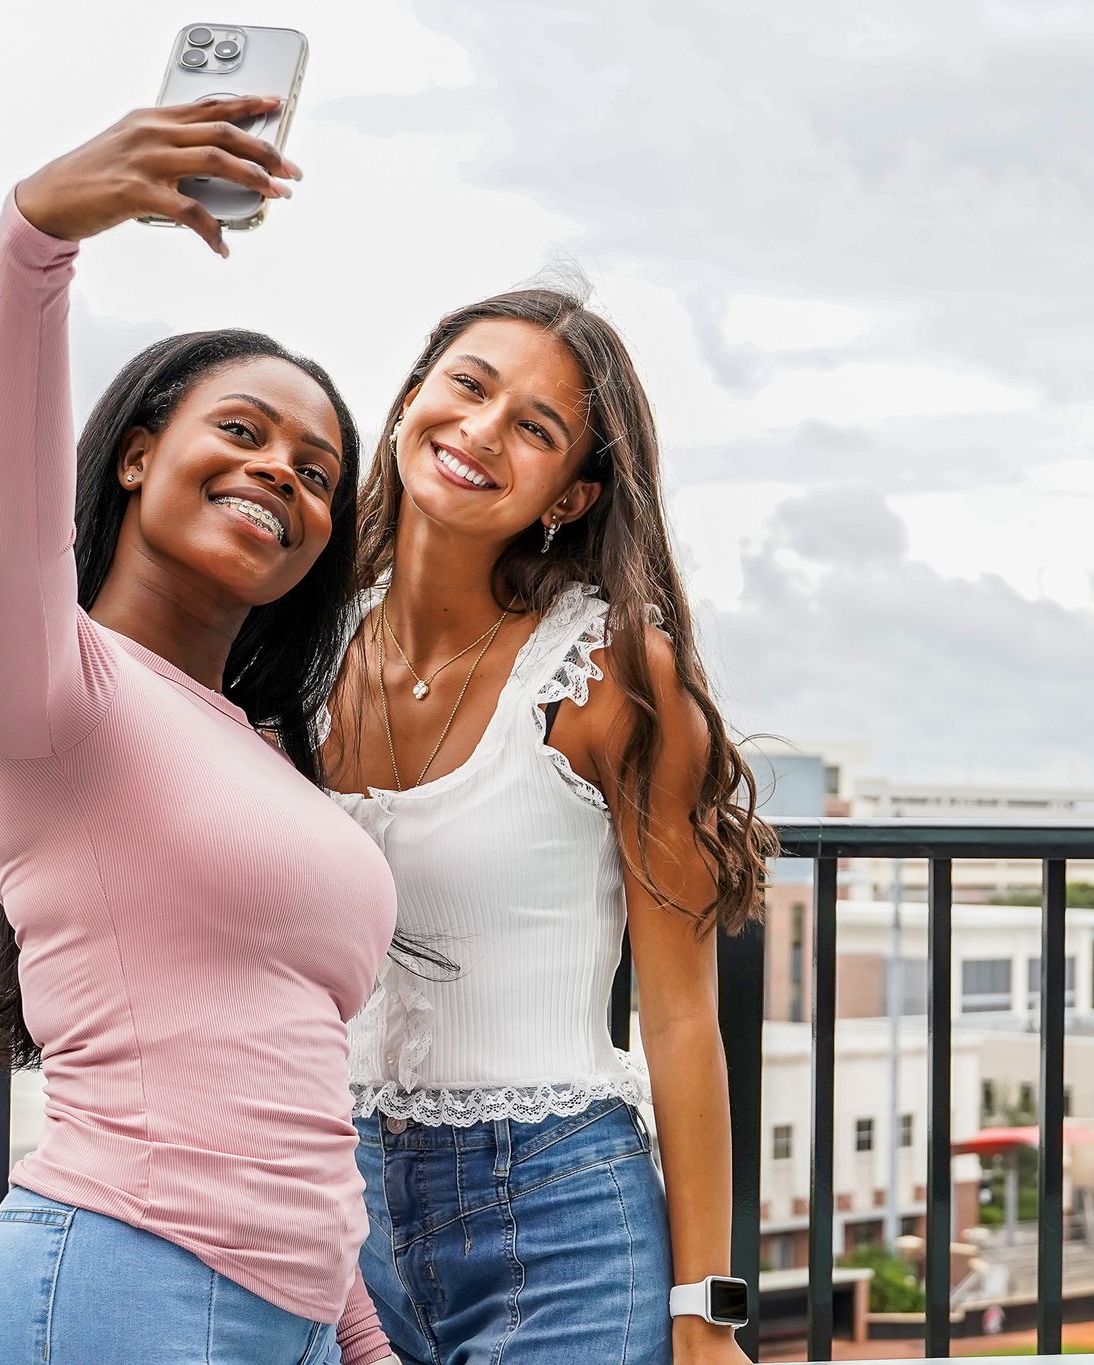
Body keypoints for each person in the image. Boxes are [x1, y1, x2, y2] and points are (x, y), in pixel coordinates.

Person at [0, 97, 399, 1365]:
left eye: (314, 471)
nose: (279, 474)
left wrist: (352, 1335)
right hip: (110, 1294)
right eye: (240, 432)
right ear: (138, 457)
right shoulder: (55, 690)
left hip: (285, 1318)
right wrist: (38, 237)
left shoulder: (260, 751)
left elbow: (285, 1076)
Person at [320, 286, 775, 1363]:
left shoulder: (611, 676)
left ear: (569, 494)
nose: (481, 431)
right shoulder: (295, 643)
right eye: (467, 386)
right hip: (328, 1213)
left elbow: (676, 1020)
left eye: (534, 427)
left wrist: (704, 1316)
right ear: (410, 401)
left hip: (560, 1213)